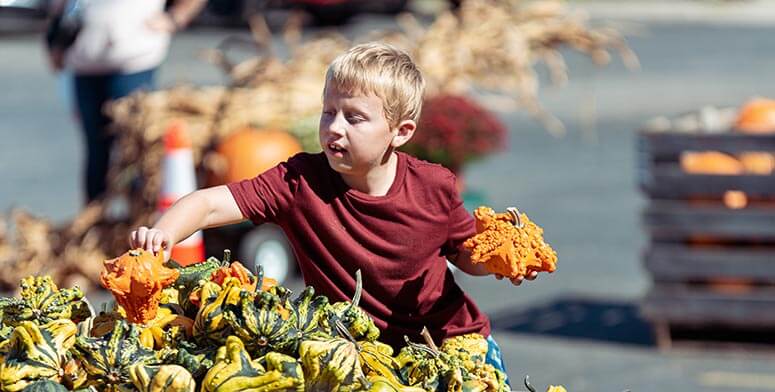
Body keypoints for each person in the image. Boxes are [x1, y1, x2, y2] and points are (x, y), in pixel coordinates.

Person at [129, 42, 536, 380]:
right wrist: (163, 233)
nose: (335, 128)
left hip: (451, 343)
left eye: (355, 118)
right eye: (329, 112)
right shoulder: (299, 181)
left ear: (401, 132)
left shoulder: (434, 186)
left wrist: (500, 260)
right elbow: (209, 202)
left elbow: (467, 256)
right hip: (356, 356)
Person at [45, 0, 206, 202]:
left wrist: (175, 18)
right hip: (84, 65)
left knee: (133, 150)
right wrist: (53, 40)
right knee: (96, 153)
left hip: (133, 64)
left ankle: (138, 220)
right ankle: (96, 224)